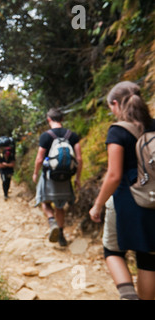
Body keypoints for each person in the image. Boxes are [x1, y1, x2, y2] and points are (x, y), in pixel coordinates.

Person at [89, 81, 155, 300]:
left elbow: (114, 175)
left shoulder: (118, 131)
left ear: (115, 104)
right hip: (152, 201)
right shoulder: (153, 126)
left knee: (112, 251)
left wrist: (98, 205)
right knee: (147, 258)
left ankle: (128, 295)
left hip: (128, 201)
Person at [33, 108, 83, 246]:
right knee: (59, 207)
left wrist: (36, 173)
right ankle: (61, 235)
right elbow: (79, 158)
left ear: (49, 119)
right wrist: (77, 178)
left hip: (49, 176)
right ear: (62, 119)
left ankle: (52, 222)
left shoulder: (46, 136)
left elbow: (39, 158)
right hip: (66, 177)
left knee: (46, 202)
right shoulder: (72, 135)